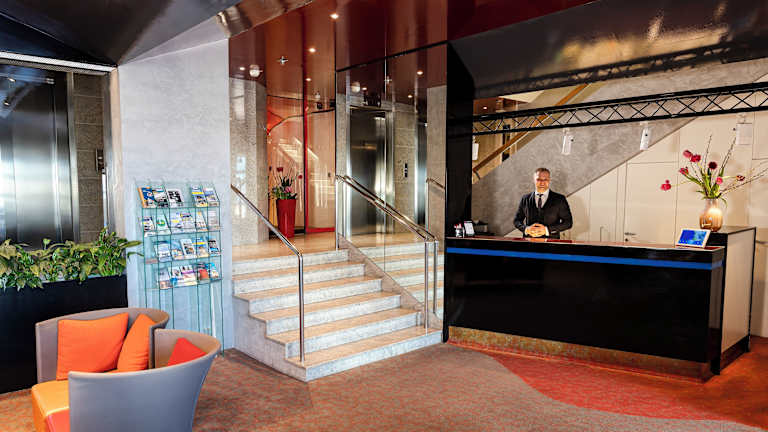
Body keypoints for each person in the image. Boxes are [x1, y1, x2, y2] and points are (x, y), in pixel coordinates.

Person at [513, 167, 573, 239]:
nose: (542, 182)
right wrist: (526, 229)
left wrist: (546, 230)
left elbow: (568, 222)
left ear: (549, 180)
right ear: (534, 180)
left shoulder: (560, 199)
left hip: (551, 243)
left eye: (545, 179)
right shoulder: (525, 199)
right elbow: (517, 220)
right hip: (529, 242)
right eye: (539, 179)